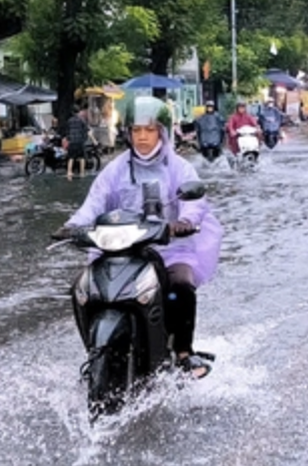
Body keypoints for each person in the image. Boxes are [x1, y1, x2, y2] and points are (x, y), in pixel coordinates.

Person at [52, 96, 223, 378]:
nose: (142, 137)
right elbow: (94, 202)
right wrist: (73, 226)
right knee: (81, 289)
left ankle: (183, 352)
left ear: (162, 132)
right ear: (128, 133)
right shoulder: (116, 168)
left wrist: (184, 221)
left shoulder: (179, 167)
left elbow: (196, 201)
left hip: (169, 249)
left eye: (150, 130)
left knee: (180, 284)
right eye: (136, 130)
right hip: (120, 250)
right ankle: (94, 354)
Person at [63, 107, 91, 180]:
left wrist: (69, 139)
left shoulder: (69, 121)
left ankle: (69, 173)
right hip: (80, 142)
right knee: (82, 158)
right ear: (78, 112)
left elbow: (67, 132)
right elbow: (86, 130)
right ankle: (82, 173)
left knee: (71, 158)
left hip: (72, 142)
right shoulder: (82, 120)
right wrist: (85, 139)